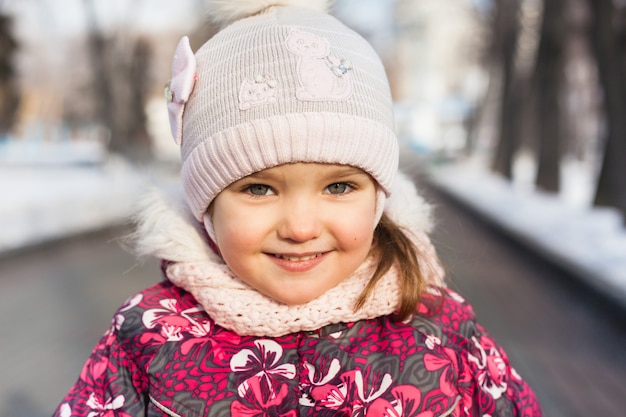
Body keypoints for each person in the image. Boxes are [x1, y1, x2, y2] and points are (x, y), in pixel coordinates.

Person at [53, 1, 542, 416]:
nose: (301, 227)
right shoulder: (148, 337)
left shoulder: (439, 327)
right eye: (259, 190)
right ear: (207, 208)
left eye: (339, 188)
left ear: (378, 201)